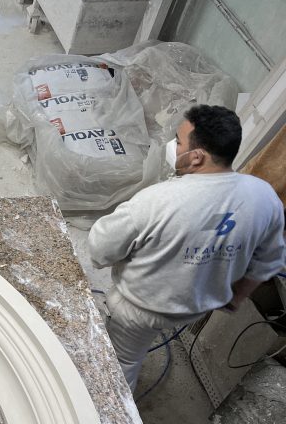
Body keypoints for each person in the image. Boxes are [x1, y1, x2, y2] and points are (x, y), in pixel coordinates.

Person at [88, 104, 285, 391]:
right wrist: (236, 296)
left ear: (196, 156)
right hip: (195, 306)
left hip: (140, 310)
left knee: (122, 362)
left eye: (179, 141)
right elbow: (270, 260)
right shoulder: (264, 196)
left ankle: (108, 410)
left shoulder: (157, 201)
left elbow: (99, 249)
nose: (174, 146)